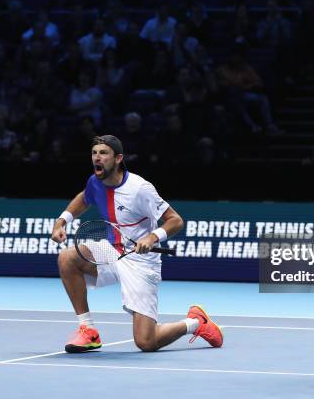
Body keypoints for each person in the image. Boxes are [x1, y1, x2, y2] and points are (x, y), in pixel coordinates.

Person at [51, 135, 223, 353]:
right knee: (67, 258)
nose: (97, 157)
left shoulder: (140, 188)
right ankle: (88, 330)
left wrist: (152, 237)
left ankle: (196, 322)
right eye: (94, 153)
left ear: (118, 158)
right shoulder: (95, 182)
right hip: (112, 251)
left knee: (146, 342)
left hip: (142, 263)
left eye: (103, 153)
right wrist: (61, 221)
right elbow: (84, 198)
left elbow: (175, 221)